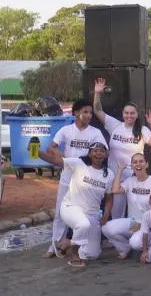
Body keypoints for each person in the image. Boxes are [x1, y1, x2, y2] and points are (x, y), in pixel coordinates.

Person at [43, 98, 105, 258]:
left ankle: (77, 243)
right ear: (76, 113)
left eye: (90, 112)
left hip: (85, 181)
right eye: (85, 112)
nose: (89, 115)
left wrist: (88, 160)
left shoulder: (95, 133)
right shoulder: (66, 130)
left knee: (85, 213)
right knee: (59, 214)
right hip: (67, 178)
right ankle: (54, 247)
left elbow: (105, 151)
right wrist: (65, 157)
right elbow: (51, 149)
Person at [38, 141, 114, 267]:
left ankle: (67, 244)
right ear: (89, 154)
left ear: (106, 155)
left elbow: (109, 198)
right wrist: (37, 152)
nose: (98, 154)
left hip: (92, 215)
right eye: (95, 151)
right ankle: (74, 254)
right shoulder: (79, 163)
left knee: (92, 254)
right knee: (82, 224)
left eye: (102, 151)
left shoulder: (109, 174)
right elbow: (54, 160)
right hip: (71, 208)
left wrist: (106, 214)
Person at [92, 78, 151, 218]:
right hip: (112, 174)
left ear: (136, 114)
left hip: (131, 176)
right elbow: (98, 110)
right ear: (122, 114)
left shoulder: (142, 129)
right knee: (114, 209)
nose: (129, 115)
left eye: (132, 113)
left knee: (134, 210)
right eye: (126, 113)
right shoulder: (114, 125)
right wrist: (97, 93)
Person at [101, 152, 151, 259]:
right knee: (107, 228)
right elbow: (115, 190)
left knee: (135, 243)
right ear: (132, 166)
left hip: (149, 224)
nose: (138, 164)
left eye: (141, 161)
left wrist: (143, 225)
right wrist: (120, 170)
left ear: (147, 164)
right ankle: (125, 248)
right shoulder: (130, 181)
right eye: (135, 162)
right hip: (132, 221)